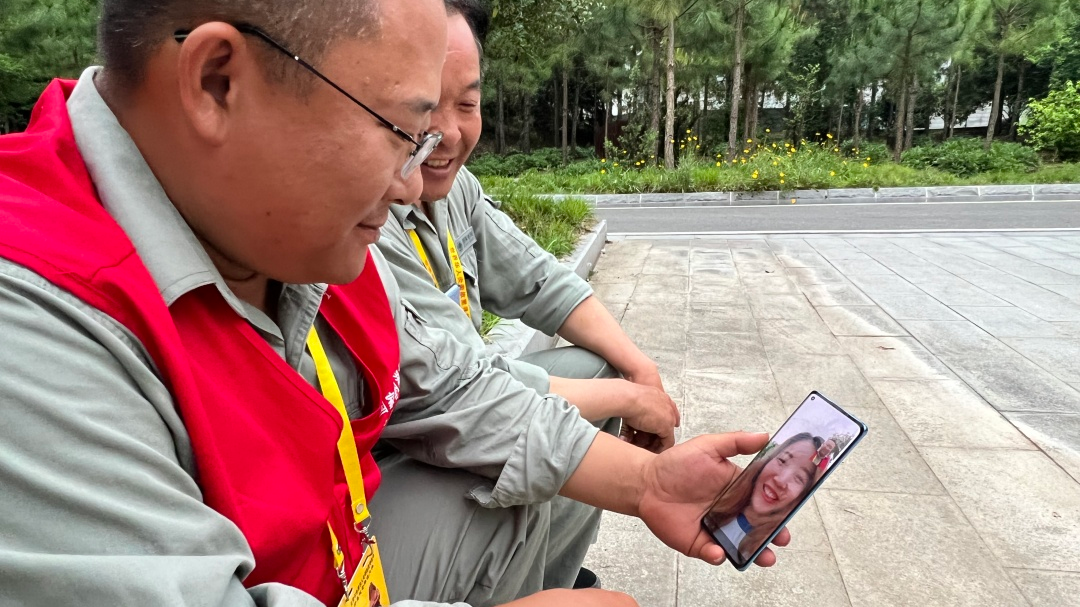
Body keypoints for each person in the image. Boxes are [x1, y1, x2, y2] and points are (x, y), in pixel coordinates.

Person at [0, 1, 789, 606]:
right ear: (218, 82)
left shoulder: (285, 234)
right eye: (402, 130)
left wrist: (649, 486)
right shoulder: (34, 322)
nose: (418, 181)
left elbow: (454, 388)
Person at [374, 0, 679, 455]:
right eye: (424, 105)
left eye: (467, 104)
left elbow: (541, 281)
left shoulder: (457, 191)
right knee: (555, 445)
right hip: (385, 461)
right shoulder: (364, 219)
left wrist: (641, 370)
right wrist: (641, 455)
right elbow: (458, 386)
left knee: (599, 379)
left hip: (458, 406)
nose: (448, 133)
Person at [703, 433, 821, 562]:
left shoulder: (750, 549)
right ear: (768, 460)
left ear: (801, 496)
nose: (780, 481)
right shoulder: (721, 500)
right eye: (782, 460)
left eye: (799, 478)